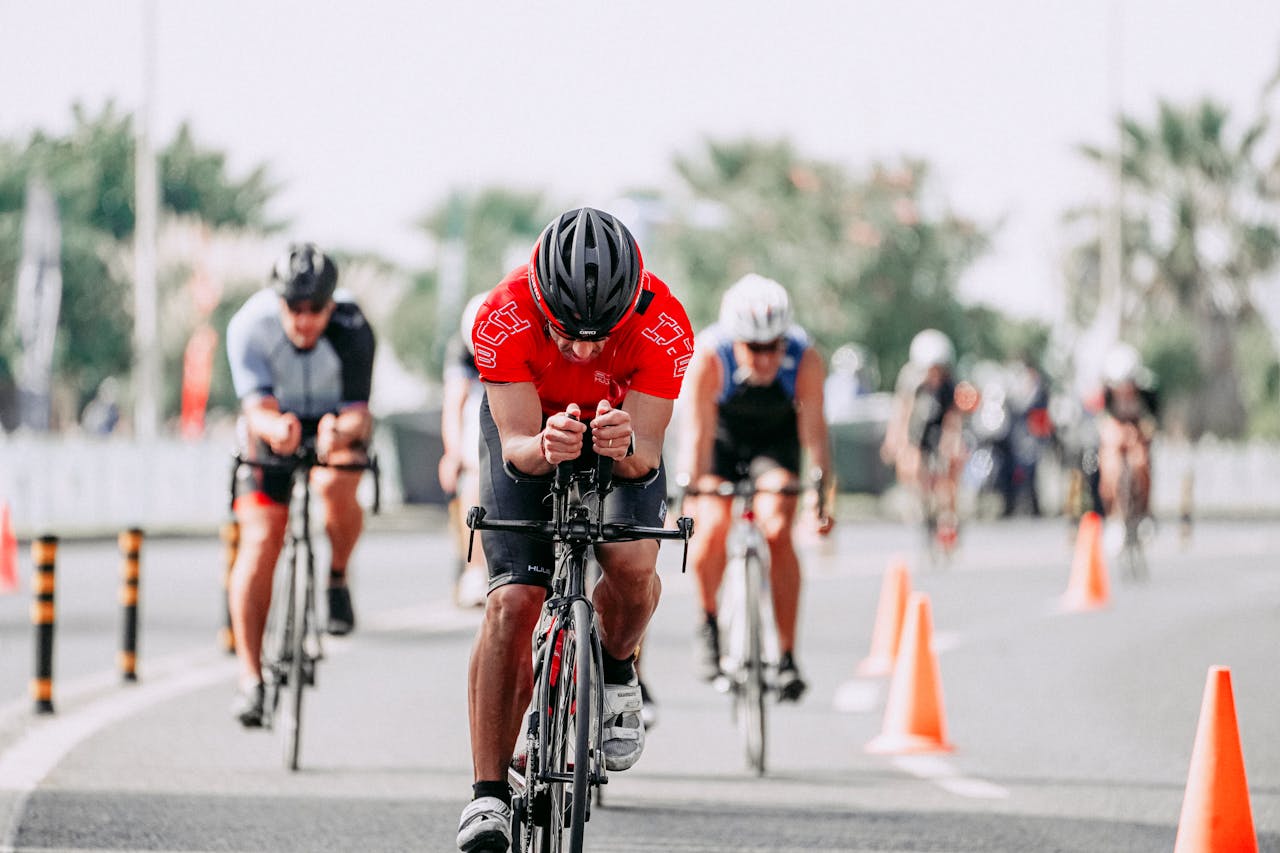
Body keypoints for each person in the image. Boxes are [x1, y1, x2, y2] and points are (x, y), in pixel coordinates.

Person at [456, 207, 693, 853]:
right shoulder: (502, 316)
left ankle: (619, 670)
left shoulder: (666, 324)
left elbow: (645, 453)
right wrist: (544, 442)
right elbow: (516, 450)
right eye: (567, 333)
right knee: (511, 601)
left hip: (620, 436)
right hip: (536, 434)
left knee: (632, 560)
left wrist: (625, 445)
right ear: (539, 300)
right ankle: (487, 795)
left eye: (602, 335)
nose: (586, 349)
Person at [224, 243, 375, 727]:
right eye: (294, 308)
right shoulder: (250, 326)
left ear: (332, 304)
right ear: (278, 300)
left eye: (315, 310)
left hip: (333, 425)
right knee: (262, 538)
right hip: (274, 425)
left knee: (339, 482)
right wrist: (277, 431)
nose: (304, 320)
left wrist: (339, 431)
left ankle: (337, 577)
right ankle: (251, 680)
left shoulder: (353, 327)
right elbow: (255, 408)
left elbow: (360, 415)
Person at [676, 274, 834, 703]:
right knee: (711, 524)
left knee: (778, 527)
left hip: (774, 445)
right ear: (735, 340)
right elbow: (697, 434)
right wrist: (689, 496)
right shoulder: (710, 356)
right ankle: (708, 623)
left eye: (774, 346)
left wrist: (820, 499)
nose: (766, 359)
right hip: (722, 444)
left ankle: (785, 657)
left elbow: (815, 435)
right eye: (754, 348)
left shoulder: (805, 358)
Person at [880, 329, 965, 545]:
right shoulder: (911, 381)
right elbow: (902, 411)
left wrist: (951, 442)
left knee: (952, 464)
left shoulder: (950, 384)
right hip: (919, 430)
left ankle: (949, 517)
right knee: (912, 465)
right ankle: (922, 503)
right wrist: (896, 441)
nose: (934, 374)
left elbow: (953, 418)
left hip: (941, 427)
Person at [439, 294, 489, 608]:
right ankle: (474, 568)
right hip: (479, 410)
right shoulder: (460, 350)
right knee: (474, 480)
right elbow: (454, 404)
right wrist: (453, 454)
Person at [1096, 342, 1159, 520]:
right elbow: (1103, 420)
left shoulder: (1146, 393)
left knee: (1140, 462)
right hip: (1115, 430)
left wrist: (1145, 431)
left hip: (1136, 431)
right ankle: (1112, 511)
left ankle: (1144, 510)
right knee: (1111, 467)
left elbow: (1151, 421)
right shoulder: (1107, 394)